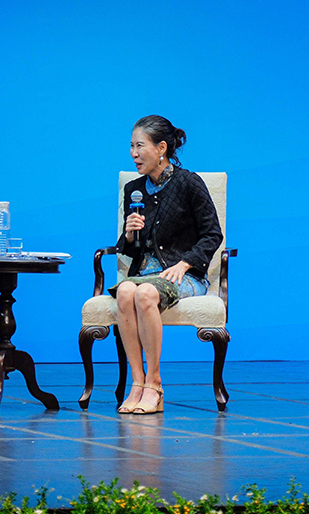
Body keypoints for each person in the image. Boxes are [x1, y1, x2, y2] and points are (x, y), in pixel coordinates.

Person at [111, 115, 223, 415]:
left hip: (183, 276)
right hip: (145, 273)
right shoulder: (133, 189)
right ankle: (137, 383)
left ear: (161, 148)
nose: (134, 154)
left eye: (139, 146)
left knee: (145, 293)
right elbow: (131, 250)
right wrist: (130, 233)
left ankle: (155, 384)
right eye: (131, 146)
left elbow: (213, 235)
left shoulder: (189, 183)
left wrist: (185, 263)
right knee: (125, 292)